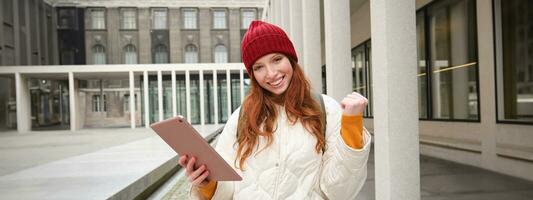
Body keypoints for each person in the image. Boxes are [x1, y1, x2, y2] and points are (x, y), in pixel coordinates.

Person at [178, 20, 371, 200]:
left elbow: (340, 191)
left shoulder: (326, 110)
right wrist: (207, 184)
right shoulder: (241, 117)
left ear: (291, 60)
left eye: (277, 59)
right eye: (259, 67)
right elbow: (228, 189)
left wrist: (352, 127)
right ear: (252, 74)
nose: (271, 74)